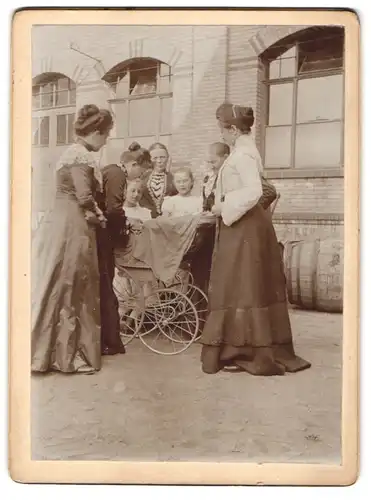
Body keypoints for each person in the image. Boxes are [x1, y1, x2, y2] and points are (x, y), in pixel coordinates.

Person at [199, 103, 311, 376]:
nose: (222, 135)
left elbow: (252, 191)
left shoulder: (243, 155)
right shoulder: (242, 151)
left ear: (234, 130)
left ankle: (246, 350)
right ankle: (242, 347)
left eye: (223, 130)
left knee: (243, 284)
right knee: (241, 284)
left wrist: (222, 207)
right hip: (243, 223)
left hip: (245, 225)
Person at [31, 104, 113, 374]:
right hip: (73, 225)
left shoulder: (72, 153)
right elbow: (84, 196)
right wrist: (100, 216)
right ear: (96, 133)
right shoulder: (80, 156)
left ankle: (49, 352)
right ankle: (68, 356)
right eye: (106, 134)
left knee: (62, 283)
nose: (106, 140)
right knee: (74, 284)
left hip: (62, 221)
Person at [140, 142, 177, 217]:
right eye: (155, 158)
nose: (159, 161)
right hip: (146, 218)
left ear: (167, 158)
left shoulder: (174, 179)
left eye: (162, 157)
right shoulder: (143, 178)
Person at [202, 142, 230, 212]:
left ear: (226, 158)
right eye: (208, 162)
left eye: (213, 162)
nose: (211, 167)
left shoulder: (231, 177)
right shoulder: (208, 179)